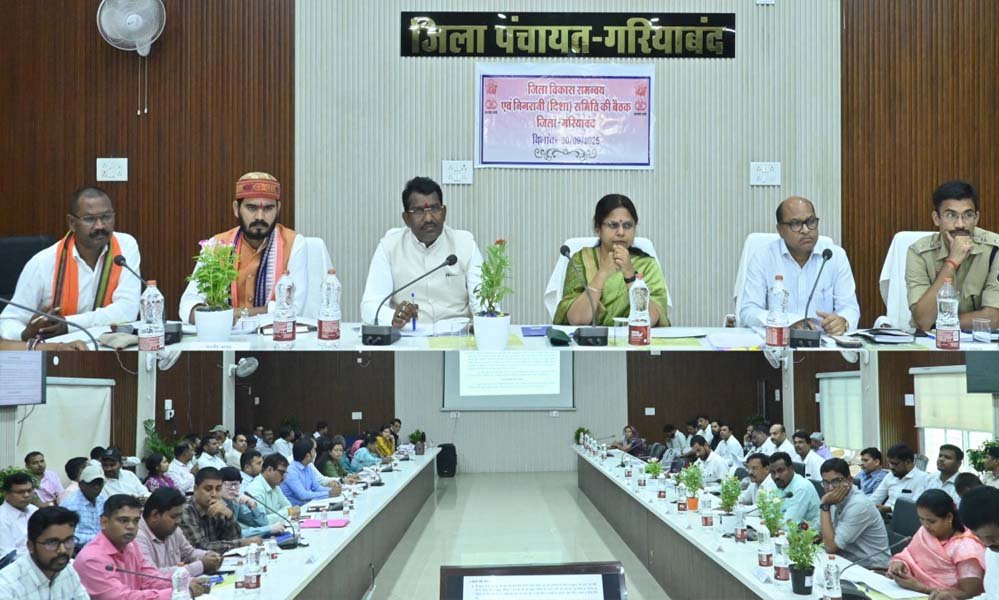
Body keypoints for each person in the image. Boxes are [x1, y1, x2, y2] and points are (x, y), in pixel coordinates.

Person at [0, 186, 141, 342]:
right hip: (58, 349)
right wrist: (25, 334)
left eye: (106, 217)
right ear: (72, 223)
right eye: (89, 219)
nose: (100, 226)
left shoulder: (125, 246)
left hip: (107, 347)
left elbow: (128, 309)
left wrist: (68, 324)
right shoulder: (43, 263)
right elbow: (8, 321)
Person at [179, 172, 305, 325]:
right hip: (226, 336)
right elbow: (188, 303)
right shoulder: (217, 245)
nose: (260, 217)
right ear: (236, 208)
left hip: (274, 337)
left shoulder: (294, 243)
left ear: (278, 209)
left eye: (268, 208)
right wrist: (210, 316)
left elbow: (294, 308)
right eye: (251, 208)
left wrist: (239, 314)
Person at [361, 176, 484, 327]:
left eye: (434, 209)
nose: (428, 218)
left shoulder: (465, 244)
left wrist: (483, 325)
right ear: (406, 218)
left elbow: (484, 303)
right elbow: (370, 305)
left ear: (444, 212)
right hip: (408, 335)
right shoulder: (389, 247)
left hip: (457, 333)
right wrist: (393, 317)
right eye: (419, 211)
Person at [739, 196, 860, 334]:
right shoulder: (763, 257)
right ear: (780, 230)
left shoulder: (834, 256)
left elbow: (850, 308)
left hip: (823, 342)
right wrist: (788, 322)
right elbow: (748, 311)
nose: (806, 230)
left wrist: (843, 322)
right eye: (796, 224)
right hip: (779, 341)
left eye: (811, 221)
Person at [554, 193, 670, 327]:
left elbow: (652, 318)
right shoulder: (581, 260)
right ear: (598, 228)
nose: (621, 232)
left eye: (627, 225)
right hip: (590, 339)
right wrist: (602, 274)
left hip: (633, 337)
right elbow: (577, 319)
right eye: (613, 225)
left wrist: (630, 278)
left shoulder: (647, 265)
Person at [906, 180, 999, 331]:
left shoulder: (995, 250)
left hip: (979, 340)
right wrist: (952, 262)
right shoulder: (918, 253)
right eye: (951, 215)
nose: (960, 224)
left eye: (968, 215)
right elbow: (923, 320)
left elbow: (994, 318)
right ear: (936, 219)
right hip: (930, 342)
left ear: (976, 218)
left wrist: (940, 323)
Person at [74, 494, 205, 598]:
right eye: (123, 520)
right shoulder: (92, 559)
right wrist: (177, 593)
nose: (131, 526)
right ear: (104, 522)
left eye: (136, 521)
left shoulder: (131, 546)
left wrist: (185, 582)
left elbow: (150, 578)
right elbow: (122, 598)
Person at [887, 489, 986, 598]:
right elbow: (908, 556)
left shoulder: (966, 548)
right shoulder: (925, 533)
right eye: (921, 519)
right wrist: (900, 563)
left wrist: (922, 588)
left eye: (931, 521)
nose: (926, 525)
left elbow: (969, 594)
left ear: (949, 517)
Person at [817, 458, 890, 569]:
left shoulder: (859, 504)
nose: (830, 488)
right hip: (847, 562)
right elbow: (815, 532)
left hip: (873, 569)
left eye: (836, 481)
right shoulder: (832, 500)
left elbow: (830, 547)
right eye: (826, 482)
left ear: (849, 480)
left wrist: (824, 506)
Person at [0, 507, 89, 598]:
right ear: (31, 546)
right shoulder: (6, 587)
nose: (62, 550)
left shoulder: (67, 570)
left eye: (68, 540)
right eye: (52, 542)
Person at [135, 487, 221, 579]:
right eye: (173, 517)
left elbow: (189, 553)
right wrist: (201, 565)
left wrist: (208, 556)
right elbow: (153, 575)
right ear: (155, 515)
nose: (178, 521)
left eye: (179, 516)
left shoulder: (173, 530)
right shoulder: (137, 537)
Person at [178, 467, 259, 554]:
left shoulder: (218, 507)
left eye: (218, 489)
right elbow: (198, 547)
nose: (214, 494)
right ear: (195, 489)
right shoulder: (185, 510)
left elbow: (234, 538)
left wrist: (229, 516)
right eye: (208, 489)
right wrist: (241, 543)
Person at [219, 467, 283, 541]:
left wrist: (253, 505)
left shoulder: (235, 503)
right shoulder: (216, 505)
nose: (233, 488)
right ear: (219, 485)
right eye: (228, 485)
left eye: (236, 484)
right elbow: (233, 535)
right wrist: (268, 529)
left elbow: (263, 523)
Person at [958, 486, 999, 597]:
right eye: (978, 537)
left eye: (992, 537)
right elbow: (992, 595)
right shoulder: (992, 552)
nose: (986, 543)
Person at [871, 443, 931, 514]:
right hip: (883, 516)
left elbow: (915, 506)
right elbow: (876, 498)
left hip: (905, 517)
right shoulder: (890, 476)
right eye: (890, 463)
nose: (891, 467)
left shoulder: (923, 478)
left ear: (908, 462)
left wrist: (890, 509)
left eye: (895, 464)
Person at [244, 454, 301, 525]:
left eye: (285, 473)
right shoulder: (255, 489)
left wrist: (285, 512)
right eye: (282, 472)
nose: (284, 478)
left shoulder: (275, 486)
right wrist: (288, 512)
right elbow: (262, 521)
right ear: (269, 470)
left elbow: (288, 506)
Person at [769, 452, 820, 529]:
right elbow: (766, 509)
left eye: (780, 471)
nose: (776, 476)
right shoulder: (780, 483)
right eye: (773, 472)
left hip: (809, 534)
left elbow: (788, 525)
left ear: (791, 468)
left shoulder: (801, 487)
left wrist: (768, 521)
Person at [281, 438, 340, 506]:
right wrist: (329, 493)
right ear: (307, 455)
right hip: (294, 509)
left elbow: (316, 487)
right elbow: (303, 495)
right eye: (314, 450)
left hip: (306, 505)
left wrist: (333, 490)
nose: (315, 453)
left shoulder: (308, 466)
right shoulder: (291, 471)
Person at [59, 464, 106, 548]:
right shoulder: (71, 504)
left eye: (99, 483)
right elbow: (69, 535)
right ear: (81, 485)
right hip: (79, 549)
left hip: (102, 545)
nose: (97, 487)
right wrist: (99, 539)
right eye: (92, 483)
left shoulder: (102, 498)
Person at [0, 472, 39, 560]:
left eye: (29, 491)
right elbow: (8, 556)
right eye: (20, 492)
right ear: (6, 494)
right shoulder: (2, 518)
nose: (26, 495)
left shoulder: (34, 510)